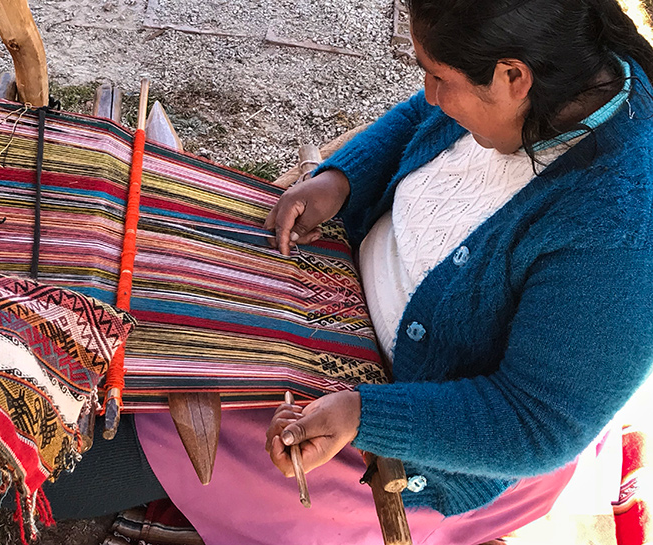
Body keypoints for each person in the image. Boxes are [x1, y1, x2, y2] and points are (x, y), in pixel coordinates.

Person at [257, 0, 653, 541]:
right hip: (332, 301)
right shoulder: (557, 66)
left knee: (150, 424)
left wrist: (361, 414)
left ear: (514, 77)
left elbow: (535, 422)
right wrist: (342, 180)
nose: (429, 92)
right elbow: (422, 115)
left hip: (419, 438)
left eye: (439, 76)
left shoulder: (621, 226)